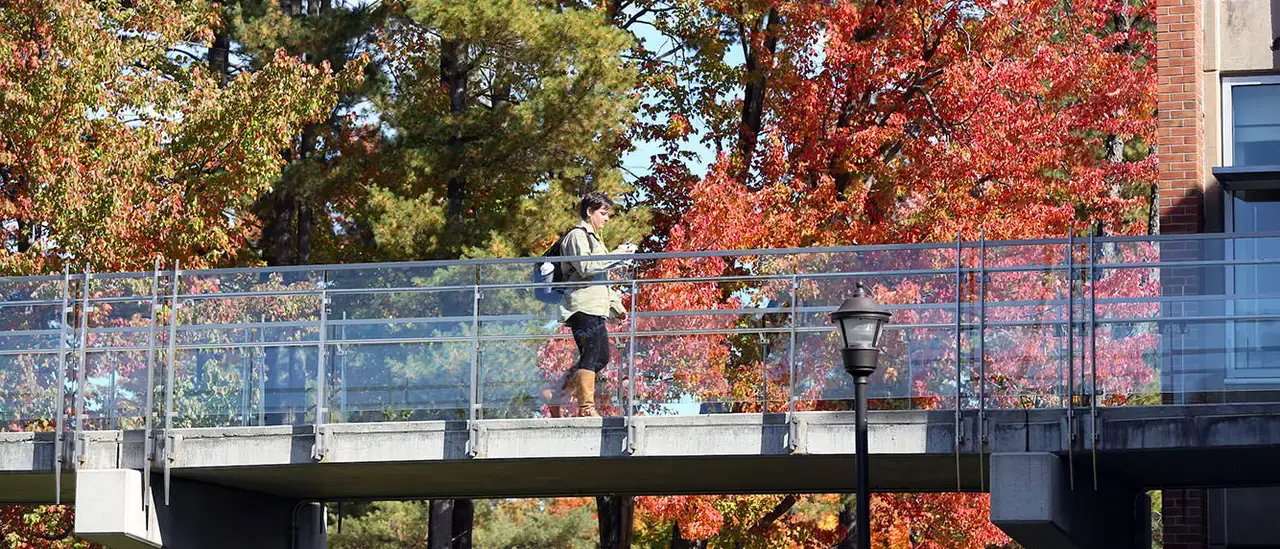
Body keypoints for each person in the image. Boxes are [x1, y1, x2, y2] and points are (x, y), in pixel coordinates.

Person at [552, 191, 635, 417]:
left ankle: (557, 393)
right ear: (589, 212)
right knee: (590, 353)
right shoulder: (578, 236)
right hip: (581, 305)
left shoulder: (596, 239)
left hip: (596, 306)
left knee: (602, 357)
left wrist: (617, 306)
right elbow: (586, 268)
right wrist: (617, 255)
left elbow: (601, 279)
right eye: (603, 213)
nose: (607, 218)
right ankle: (586, 408)